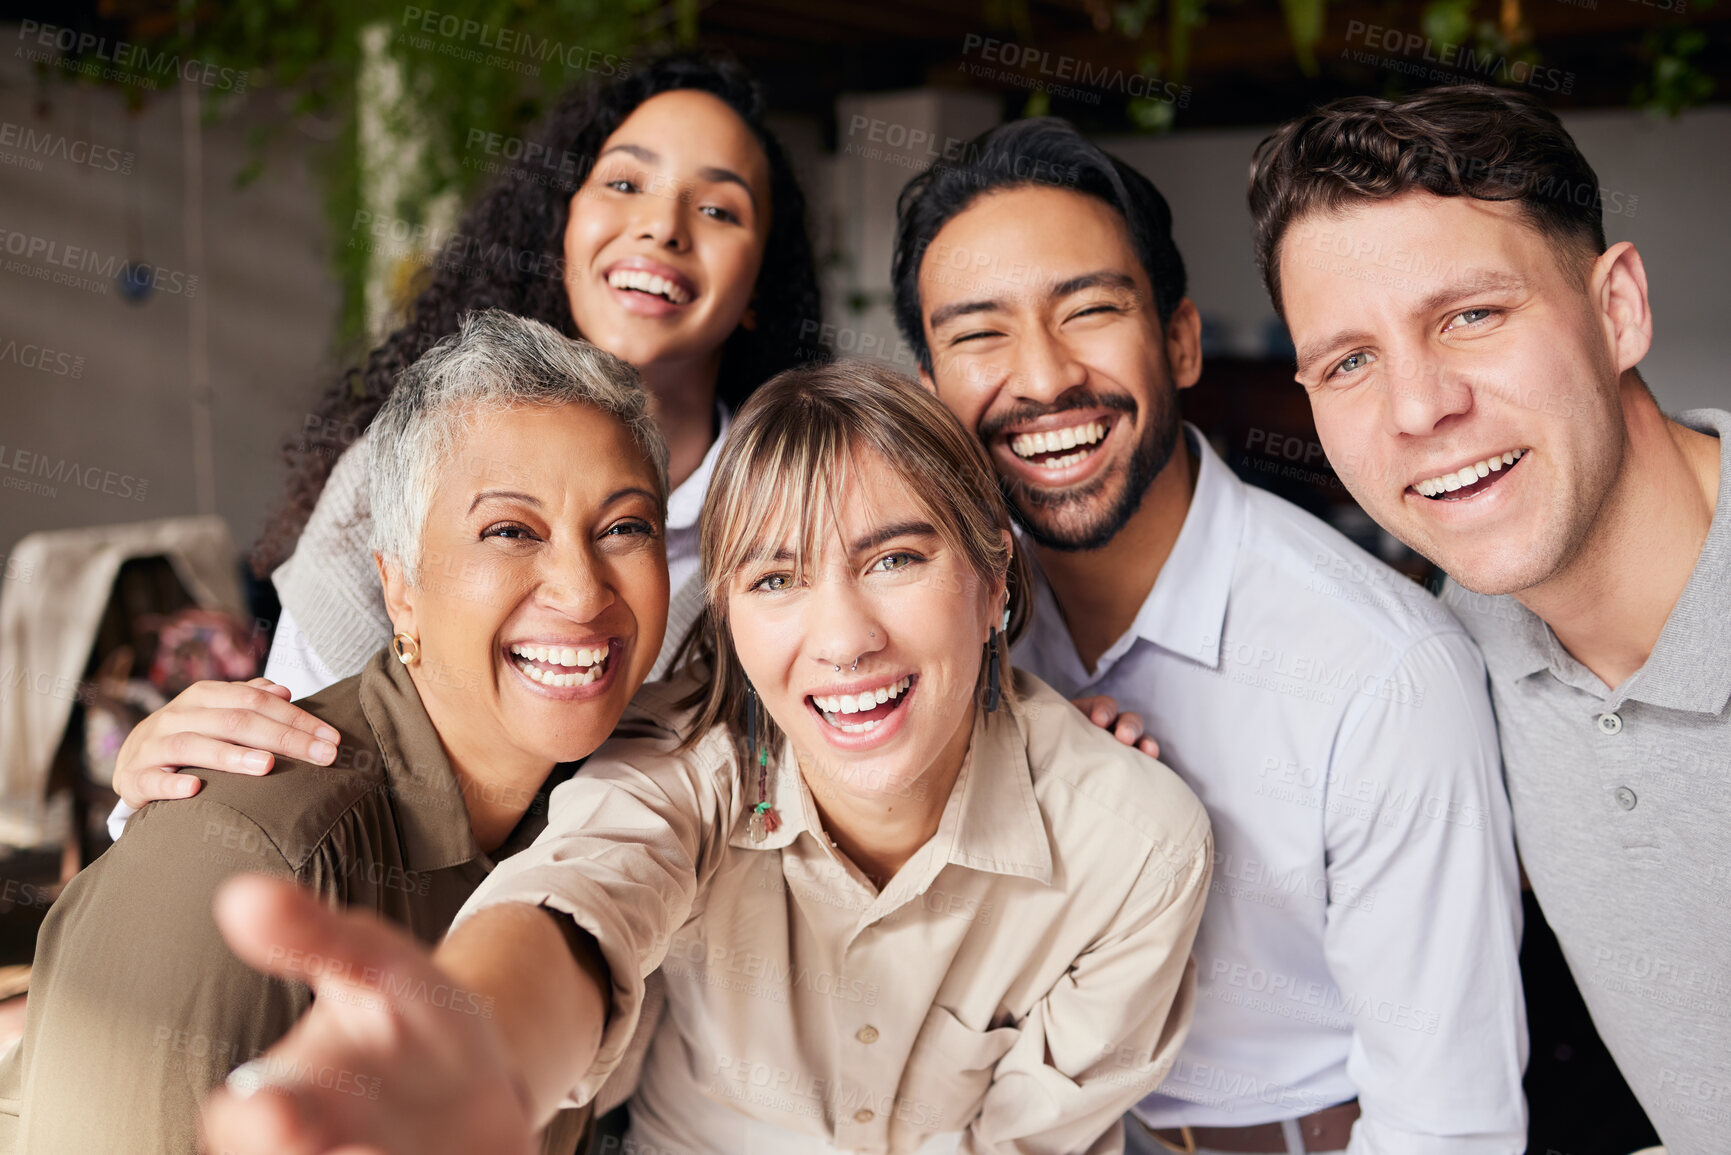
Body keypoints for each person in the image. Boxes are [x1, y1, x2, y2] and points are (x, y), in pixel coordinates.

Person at [192, 361, 1214, 1155]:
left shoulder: (1133, 844)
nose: (844, 638)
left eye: (895, 559)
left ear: (995, 580)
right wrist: (481, 1047)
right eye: (777, 579)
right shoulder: (683, 765)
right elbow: (583, 893)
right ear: (727, 614)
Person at [891, 118, 1527, 1153]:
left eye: (1089, 311)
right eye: (978, 334)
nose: (1045, 378)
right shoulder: (930, 641)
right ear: (930, 394)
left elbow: (1449, 1121)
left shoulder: (1381, 671)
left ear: (1179, 340)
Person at [103, 48, 823, 834]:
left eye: (719, 209)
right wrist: (165, 784)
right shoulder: (396, 474)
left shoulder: (800, 516)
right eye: (623, 183)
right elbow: (294, 761)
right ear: (562, 224)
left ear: (760, 283)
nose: (661, 226)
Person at [0, 312, 671, 1154]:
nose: (581, 591)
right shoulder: (244, 853)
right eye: (509, 530)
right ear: (399, 589)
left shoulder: (601, 809)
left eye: (624, 527)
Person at [1249, 85, 1729, 1154]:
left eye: (1471, 316)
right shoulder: (1459, 641)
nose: (1419, 409)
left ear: (1618, 311)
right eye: (1350, 362)